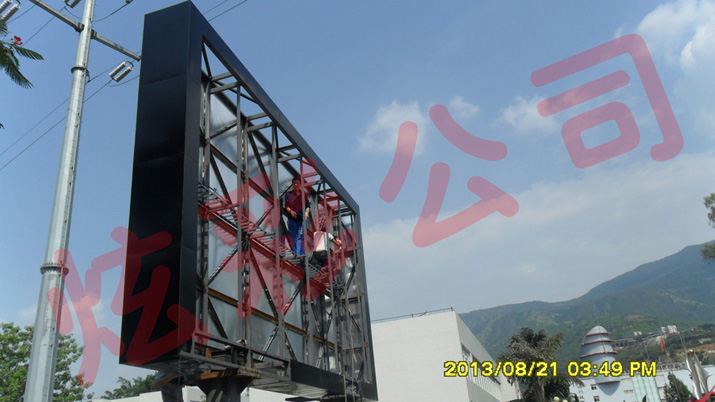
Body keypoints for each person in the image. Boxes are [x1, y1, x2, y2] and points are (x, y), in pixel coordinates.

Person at [283, 176, 312, 256]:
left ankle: (300, 255)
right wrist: (291, 211)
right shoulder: (288, 194)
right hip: (292, 219)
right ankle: (296, 254)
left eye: (297, 183)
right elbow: (287, 206)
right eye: (294, 183)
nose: (295, 185)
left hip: (302, 219)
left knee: (301, 237)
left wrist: (306, 213)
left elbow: (308, 206)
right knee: (293, 236)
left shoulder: (304, 195)